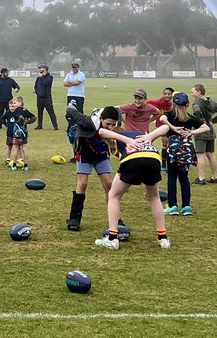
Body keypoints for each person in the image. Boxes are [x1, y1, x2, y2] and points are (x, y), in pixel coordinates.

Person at [92, 114, 173, 251]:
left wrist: (125, 139)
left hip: (133, 159)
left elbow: (101, 131)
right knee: (154, 197)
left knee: (113, 195)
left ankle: (112, 238)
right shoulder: (143, 135)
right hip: (153, 158)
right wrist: (150, 136)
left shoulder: (121, 138)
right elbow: (165, 127)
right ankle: (163, 238)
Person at [66, 105, 121, 231]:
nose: (110, 127)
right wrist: (71, 108)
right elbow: (72, 112)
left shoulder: (115, 123)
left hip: (101, 155)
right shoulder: (87, 122)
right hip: (84, 154)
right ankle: (75, 218)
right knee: (83, 183)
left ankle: (116, 219)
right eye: (108, 124)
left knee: (109, 184)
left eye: (113, 124)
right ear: (101, 119)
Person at [157, 92, 205, 215]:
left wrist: (172, 128)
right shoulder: (190, 117)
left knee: (172, 177)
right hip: (186, 150)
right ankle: (187, 206)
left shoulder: (170, 115)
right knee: (184, 178)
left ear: (173, 103)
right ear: (187, 104)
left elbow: (161, 118)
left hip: (173, 151)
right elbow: (206, 127)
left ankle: (173, 206)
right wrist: (192, 133)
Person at [190, 84, 217, 185]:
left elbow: (197, 112)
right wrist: (213, 121)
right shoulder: (210, 101)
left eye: (193, 91)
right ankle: (214, 177)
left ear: (199, 92)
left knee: (200, 155)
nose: (191, 94)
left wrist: (201, 122)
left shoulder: (196, 103)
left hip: (201, 131)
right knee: (210, 154)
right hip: (211, 131)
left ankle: (201, 178)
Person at [0, 96, 36, 170]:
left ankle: (14, 166)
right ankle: (26, 166)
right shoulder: (24, 110)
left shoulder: (15, 111)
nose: (13, 105)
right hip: (24, 132)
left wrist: (21, 120)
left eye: (15, 103)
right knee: (24, 149)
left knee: (16, 149)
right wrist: (26, 122)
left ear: (19, 103)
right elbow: (34, 117)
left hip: (16, 133)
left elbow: (20, 118)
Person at [34, 65, 58, 130]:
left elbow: (46, 83)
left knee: (51, 112)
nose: (40, 70)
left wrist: (41, 77)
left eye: (41, 68)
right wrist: (37, 91)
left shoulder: (50, 77)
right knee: (39, 112)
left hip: (47, 98)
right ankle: (39, 125)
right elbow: (36, 86)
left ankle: (55, 126)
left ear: (45, 69)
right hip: (39, 98)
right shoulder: (38, 78)